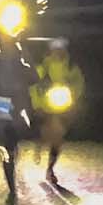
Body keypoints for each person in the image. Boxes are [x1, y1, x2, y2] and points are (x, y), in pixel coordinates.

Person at [30, 37, 85, 186]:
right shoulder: (44, 66)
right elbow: (34, 84)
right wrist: (37, 104)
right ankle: (39, 145)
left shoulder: (71, 66)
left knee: (58, 138)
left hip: (63, 105)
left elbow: (79, 83)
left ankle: (50, 169)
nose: (58, 53)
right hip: (46, 105)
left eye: (61, 50)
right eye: (55, 50)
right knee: (47, 132)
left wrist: (72, 94)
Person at [0, 34, 34, 205]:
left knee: (7, 143)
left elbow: (33, 76)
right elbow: (33, 76)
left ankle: (12, 186)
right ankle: (12, 186)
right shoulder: (12, 53)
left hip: (4, 101)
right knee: (8, 143)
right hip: (9, 101)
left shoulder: (1, 53)